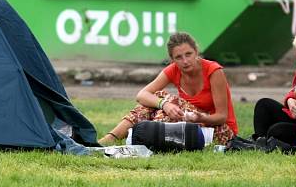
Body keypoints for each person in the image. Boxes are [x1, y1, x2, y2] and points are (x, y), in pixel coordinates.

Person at [99, 32, 238, 146]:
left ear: (196, 52)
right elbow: (142, 95)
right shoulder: (174, 70)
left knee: (169, 100)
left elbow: (221, 117)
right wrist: (164, 105)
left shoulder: (214, 71)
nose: (185, 61)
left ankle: (142, 136)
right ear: (172, 60)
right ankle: (112, 137)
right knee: (158, 101)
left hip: (221, 132)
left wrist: (199, 117)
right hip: (189, 126)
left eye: (188, 54)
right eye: (179, 57)